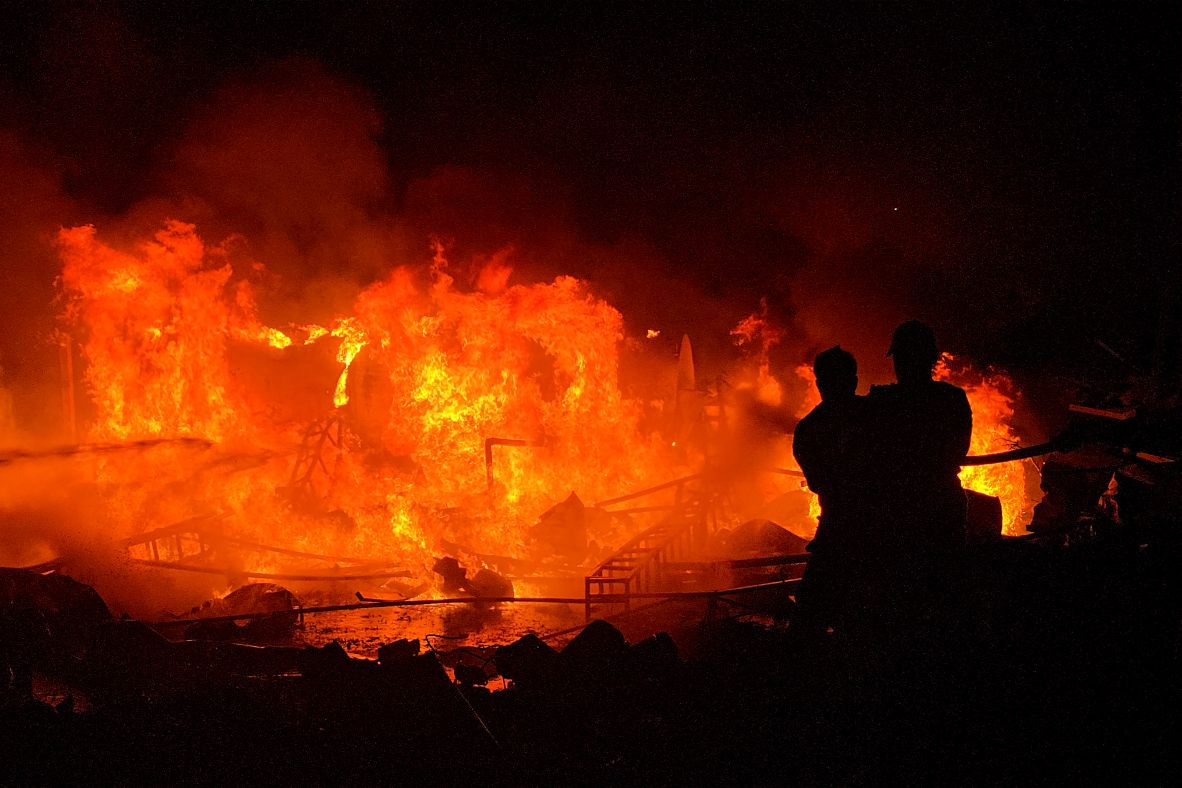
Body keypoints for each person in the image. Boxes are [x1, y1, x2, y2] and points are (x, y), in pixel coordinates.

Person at [792, 345, 869, 635]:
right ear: (854, 380)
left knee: (809, 622)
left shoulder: (809, 429)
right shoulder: (876, 415)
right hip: (882, 531)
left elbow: (818, 482)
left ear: (819, 383)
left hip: (837, 533)